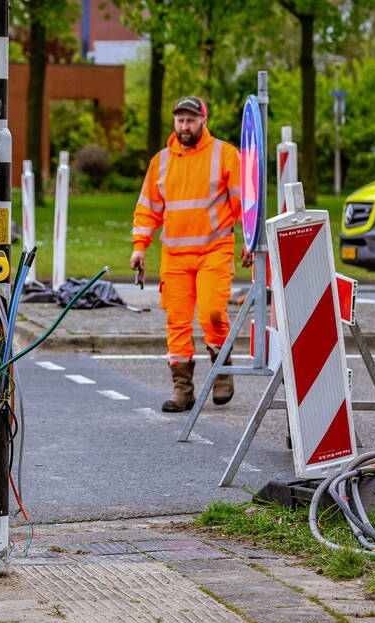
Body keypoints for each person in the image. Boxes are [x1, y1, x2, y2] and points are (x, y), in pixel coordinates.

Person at [130, 96, 247, 412]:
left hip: (214, 250)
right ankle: (183, 389)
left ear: (203, 122)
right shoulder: (162, 161)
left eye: (191, 120)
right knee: (177, 324)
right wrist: (140, 247)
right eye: (180, 120)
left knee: (212, 313)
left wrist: (250, 238)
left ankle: (222, 372)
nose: (185, 126)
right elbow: (148, 209)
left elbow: (244, 202)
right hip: (176, 256)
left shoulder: (225, 154)